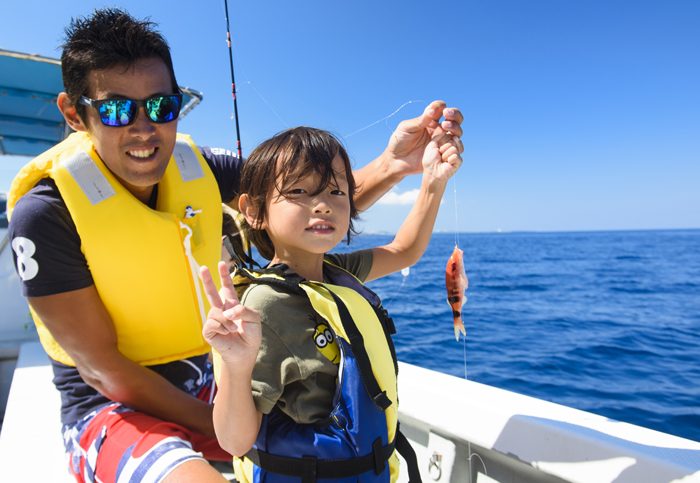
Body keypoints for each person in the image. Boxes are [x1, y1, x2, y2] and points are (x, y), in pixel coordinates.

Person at [6, 8, 464, 483]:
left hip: (217, 371)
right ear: (74, 113)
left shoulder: (199, 167)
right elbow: (103, 371)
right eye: (117, 109)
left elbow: (299, 205)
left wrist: (394, 164)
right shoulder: (46, 214)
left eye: (162, 107)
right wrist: (239, 430)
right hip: (111, 405)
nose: (144, 129)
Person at [199, 125, 462, 482]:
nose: (323, 204)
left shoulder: (336, 273)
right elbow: (234, 440)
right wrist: (236, 365)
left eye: (337, 191)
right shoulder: (266, 304)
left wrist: (434, 179)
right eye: (298, 191)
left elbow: (405, 250)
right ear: (254, 210)